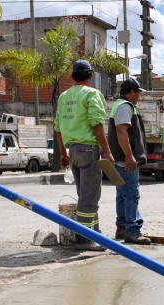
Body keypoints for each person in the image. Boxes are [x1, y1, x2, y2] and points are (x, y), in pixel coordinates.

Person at [55, 59, 114, 251]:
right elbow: (97, 125)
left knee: (84, 195)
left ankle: (93, 234)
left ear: (72, 76)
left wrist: (63, 153)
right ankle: (84, 239)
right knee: (89, 197)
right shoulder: (92, 94)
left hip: (73, 151)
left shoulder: (64, 97)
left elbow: (57, 127)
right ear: (90, 76)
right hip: (89, 149)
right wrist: (107, 150)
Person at [108, 78, 151, 245]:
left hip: (122, 158)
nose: (139, 96)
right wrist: (129, 156)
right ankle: (132, 230)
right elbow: (122, 132)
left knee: (123, 194)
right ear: (131, 92)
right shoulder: (125, 106)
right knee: (131, 194)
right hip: (125, 159)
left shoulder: (122, 106)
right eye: (138, 93)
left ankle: (122, 227)